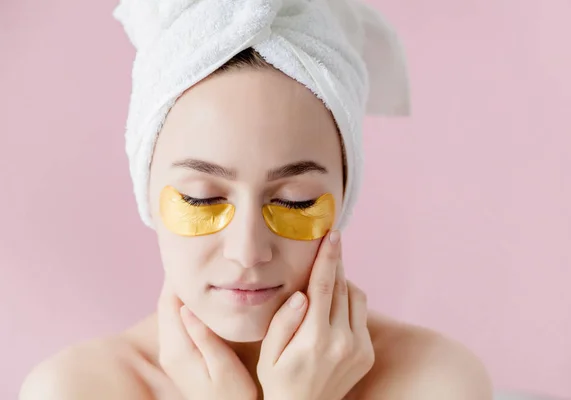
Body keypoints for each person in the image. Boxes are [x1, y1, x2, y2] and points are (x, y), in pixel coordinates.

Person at [19, 1, 493, 399]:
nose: (247, 251)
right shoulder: (78, 389)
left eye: (296, 202)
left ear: (344, 197)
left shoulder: (433, 380)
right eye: (201, 199)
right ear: (146, 192)